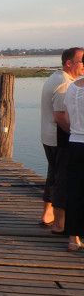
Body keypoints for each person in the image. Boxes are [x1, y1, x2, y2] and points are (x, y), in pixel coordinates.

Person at [41, 47, 84, 232]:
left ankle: (47, 214)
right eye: (81, 61)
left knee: (53, 176)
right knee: (63, 181)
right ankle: (60, 224)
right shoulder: (66, 83)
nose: (83, 66)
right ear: (69, 63)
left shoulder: (56, 77)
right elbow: (60, 116)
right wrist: (75, 132)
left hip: (49, 136)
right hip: (60, 138)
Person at [64, 75, 84, 251]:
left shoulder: (72, 87)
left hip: (75, 142)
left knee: (75, 191)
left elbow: (67, 118)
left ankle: (73, 238)